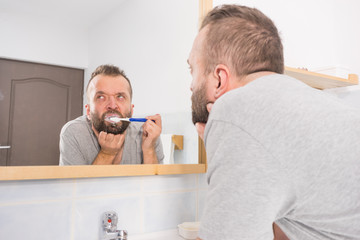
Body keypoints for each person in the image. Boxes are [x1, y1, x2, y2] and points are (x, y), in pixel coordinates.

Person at [188, 4, 360, 240]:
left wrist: (228, 129)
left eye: (192, 70)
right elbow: (298, 227)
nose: (190, 85)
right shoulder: (310, 105)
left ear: (219, 79)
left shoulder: (236, 108)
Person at [59, 64, 164, 165]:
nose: (112, 105)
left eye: (120, 96)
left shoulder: (148, 134)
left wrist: (149, 149)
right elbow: (76, 184)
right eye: (101, 97)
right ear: (88, 111)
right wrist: (107, 154)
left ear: (131, 111)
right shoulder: (73, 133)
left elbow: (154, 183)